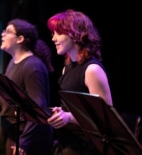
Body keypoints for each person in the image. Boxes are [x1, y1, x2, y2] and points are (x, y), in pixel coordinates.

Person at [0, 18, 54, 155]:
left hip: (30, 139)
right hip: (14, 134)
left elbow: (38, 107)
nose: (2, 34)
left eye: (8, 32)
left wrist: (25, 141)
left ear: (20, 39)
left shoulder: (33, 66)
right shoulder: (13, 62)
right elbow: (4, 99)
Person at [46, 9, 113, 155]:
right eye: (53, 34)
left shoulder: (92, 70)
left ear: (75, 34)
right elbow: (72, 109)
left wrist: (68, 117)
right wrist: (60, 113)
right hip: (68, 144)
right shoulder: (67, 68)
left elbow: (106, 117)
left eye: (58, 33)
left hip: (86, 148)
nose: (53, 39)